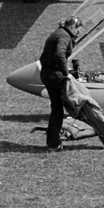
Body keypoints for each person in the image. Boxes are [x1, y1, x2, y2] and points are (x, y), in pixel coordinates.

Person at [40, 17, 82, 150]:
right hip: (54, 75)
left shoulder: (60, 32)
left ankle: (53, 142)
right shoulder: (64, 37)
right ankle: (95, 124)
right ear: (71, 27)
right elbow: (59, 55)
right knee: (78, 100)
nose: (79, 31)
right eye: (78, 28)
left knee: (57, 109)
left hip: (47, 74)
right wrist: (66, 73)